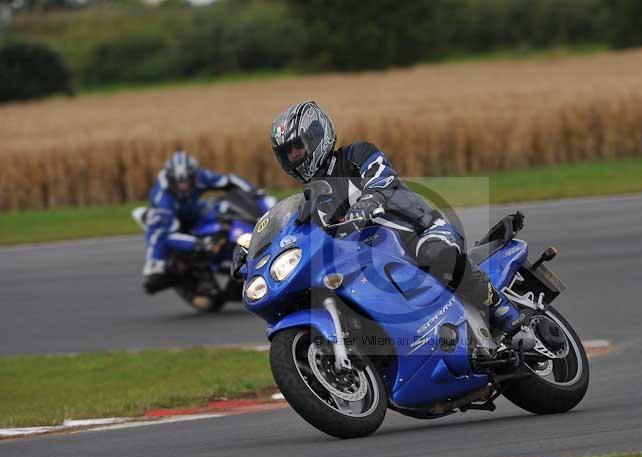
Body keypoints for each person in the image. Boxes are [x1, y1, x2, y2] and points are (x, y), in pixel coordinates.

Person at [269, 100, 530, 342]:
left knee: (435, 254)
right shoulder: (311, 200)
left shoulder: (356, 155)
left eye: (297, 148)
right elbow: (299, 235)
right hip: (373, 258)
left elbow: (383, 180)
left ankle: (501, 309)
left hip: (420, 230)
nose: (294, 157)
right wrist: (252, 252)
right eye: (287, 154)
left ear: (317, 138)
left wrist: (367, 203)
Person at [142, 150, 276, 294]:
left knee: (221, 210)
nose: (184, 186)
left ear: (193, 176)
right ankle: (162, 270)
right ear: (171, 179)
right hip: (167, 223)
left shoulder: (200, 176)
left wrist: (255, 193)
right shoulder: (162, 199)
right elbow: (167, 236)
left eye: (187, 182)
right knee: (157, 268)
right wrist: (199, 244)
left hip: (193, 211)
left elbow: (229, 181)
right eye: (179, 183)